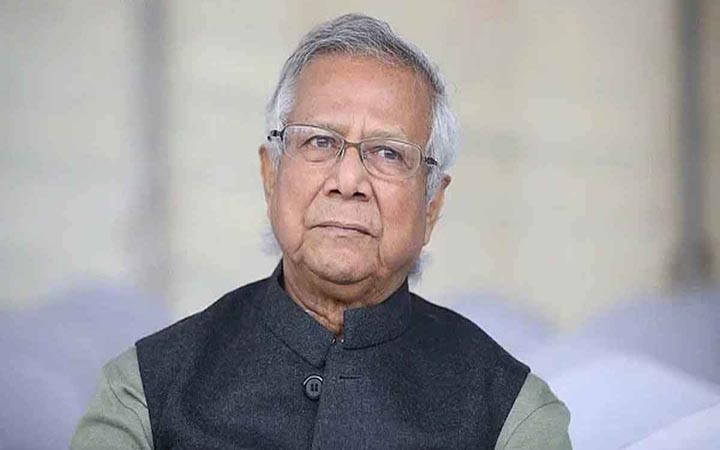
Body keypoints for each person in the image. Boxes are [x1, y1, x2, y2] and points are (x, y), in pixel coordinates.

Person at [71, 13, 570, 450]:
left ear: (432, 204)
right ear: (271, 175)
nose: (348, 181)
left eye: (388, 153)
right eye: (319, 142)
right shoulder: (145, 392)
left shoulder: (511, 415)